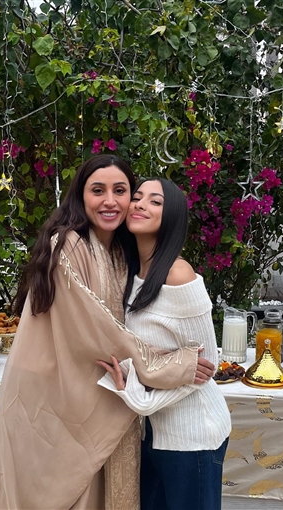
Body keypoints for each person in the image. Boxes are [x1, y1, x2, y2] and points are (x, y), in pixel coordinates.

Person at [0, 156, 216, 510]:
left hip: (96, 398)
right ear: (81, 196)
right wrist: (171, 366)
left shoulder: (120, 252)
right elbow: (97, 330)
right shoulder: (69, 246)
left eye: (120, 191)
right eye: (98, 190)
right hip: (52, 402)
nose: (110, 201)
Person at [97, 178, 232, 510]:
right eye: (137, 197)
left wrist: (139, 398)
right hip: (154, 433)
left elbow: (205, 366)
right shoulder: (131, 272)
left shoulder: (178, 274)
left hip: (193, 436)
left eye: (155, 201)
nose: (140, 204)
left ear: (171, 216)